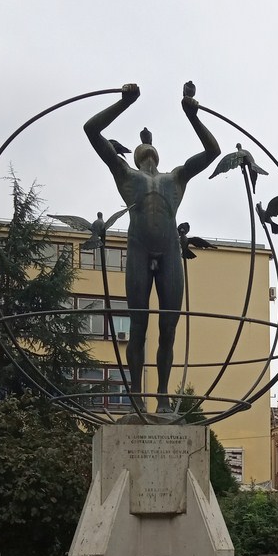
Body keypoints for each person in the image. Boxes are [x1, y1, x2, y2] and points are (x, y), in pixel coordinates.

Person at [85, 83, 221, 412]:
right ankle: (134, 396)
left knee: (169, 327)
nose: (148, 151)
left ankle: (161, 395)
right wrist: (124, 102)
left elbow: (213, 151)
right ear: (136, 156)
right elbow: (91, 129)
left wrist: (192, 114)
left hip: (170, 252)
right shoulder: (125, 174)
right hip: (139, 251)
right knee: (138, 325)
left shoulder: (176, 177)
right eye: (143, 149)